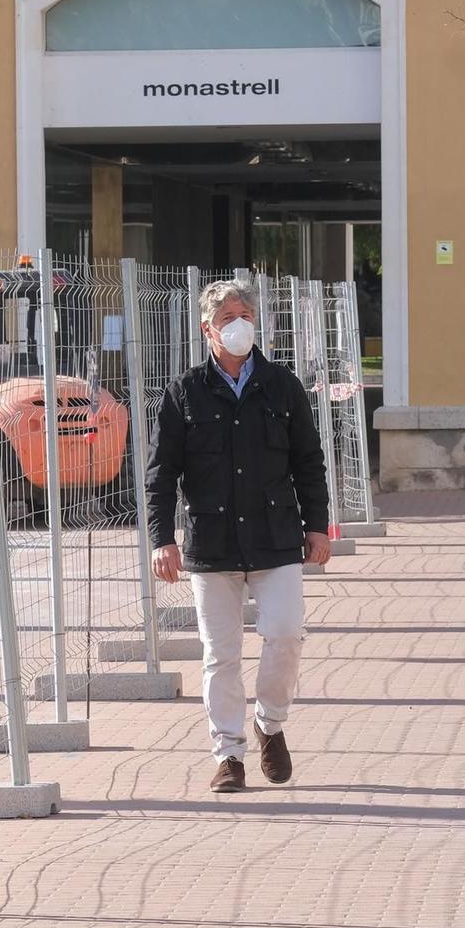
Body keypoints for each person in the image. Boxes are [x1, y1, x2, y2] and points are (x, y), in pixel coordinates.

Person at [146, 280, 332, 794]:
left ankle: (270, 724)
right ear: (208, 329)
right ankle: (228, 754)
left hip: (276, 539)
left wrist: (318, 526)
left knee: (286, 635)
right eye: (227, 316)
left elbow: (308, 462)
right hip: (213, 544)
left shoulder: (282, 385)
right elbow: (161, 473)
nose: (239, 323)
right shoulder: (184, 392)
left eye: (246, 313)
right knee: (220, 656)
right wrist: (163, 539)